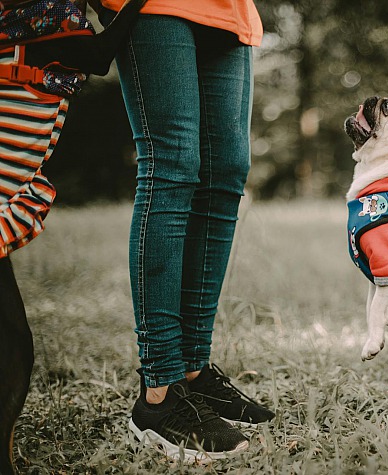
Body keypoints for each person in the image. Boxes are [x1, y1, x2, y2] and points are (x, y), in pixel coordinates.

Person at [96, 0, 274, 459]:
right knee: (172, 164)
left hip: (230, 11)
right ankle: (159, 392)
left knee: (227, 171)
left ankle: (194, 372)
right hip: (156, 5)